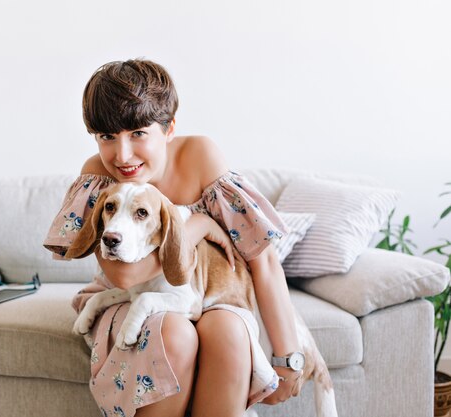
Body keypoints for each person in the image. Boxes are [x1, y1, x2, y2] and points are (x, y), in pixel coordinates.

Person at [44, 58, 302, 417]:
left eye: (138, 133)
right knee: (173, 333)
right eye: (107, 137)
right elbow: (126, 275)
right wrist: (198, 225)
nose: (122, 155)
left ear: (168, 129)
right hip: (132, 297)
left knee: (227, 331)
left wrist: (288, 358)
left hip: (207, 295)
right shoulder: (98, 177)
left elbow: (264, 259)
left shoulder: (200, 157)